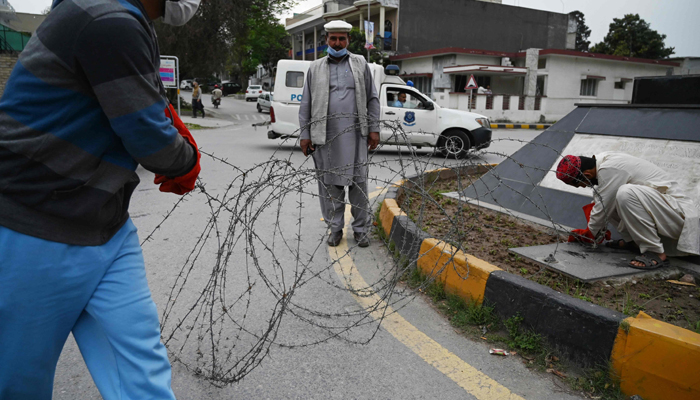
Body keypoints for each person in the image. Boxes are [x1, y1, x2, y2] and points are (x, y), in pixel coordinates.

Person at [0, 0, 203, 398]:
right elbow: (145, 134)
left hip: (106, 226)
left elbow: (136, 107)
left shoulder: (119, 17)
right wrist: (184, 159)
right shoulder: (107, 18)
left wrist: (165, 129)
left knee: (141, 366)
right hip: (36, 223)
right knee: (19, 378)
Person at [299, 20, 380, 248]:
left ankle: (361, 230)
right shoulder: (315, 68)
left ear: (348, 41)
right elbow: (306, 103)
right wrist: (305, 134)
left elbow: (372, 99)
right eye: (333, 39)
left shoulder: (360, 63)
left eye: (341, 39)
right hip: (325, 138)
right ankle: (335, 229)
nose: (337, 43)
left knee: (358, 186)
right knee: (330, 187)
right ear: (326, 40)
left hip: (356, 136)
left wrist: (374, 129)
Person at [556, 153, 699, 269]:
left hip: (679, 216)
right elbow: (602, 205)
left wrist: (589, 235)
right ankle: (634, 242)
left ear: (587, 175)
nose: (582, 187)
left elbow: (602, 209)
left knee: (625, 193)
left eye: (580, 185)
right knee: (604, 198)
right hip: (664, 214)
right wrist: (594, 232)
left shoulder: (610, 168)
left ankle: (654, 251)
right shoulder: (602, 163)